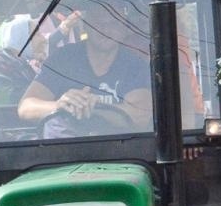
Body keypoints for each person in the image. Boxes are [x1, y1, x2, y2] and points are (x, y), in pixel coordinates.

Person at [18, 12, 152, 138]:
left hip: (118, 152)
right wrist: (62, 105)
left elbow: (141, 116)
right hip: (61, 152)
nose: (105, 30)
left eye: (113, 23)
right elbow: (26, 107)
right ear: (85, 27)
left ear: (124, 30)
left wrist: (94, 107)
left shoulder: (134, 65)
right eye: (98, 23)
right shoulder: (62, 59)